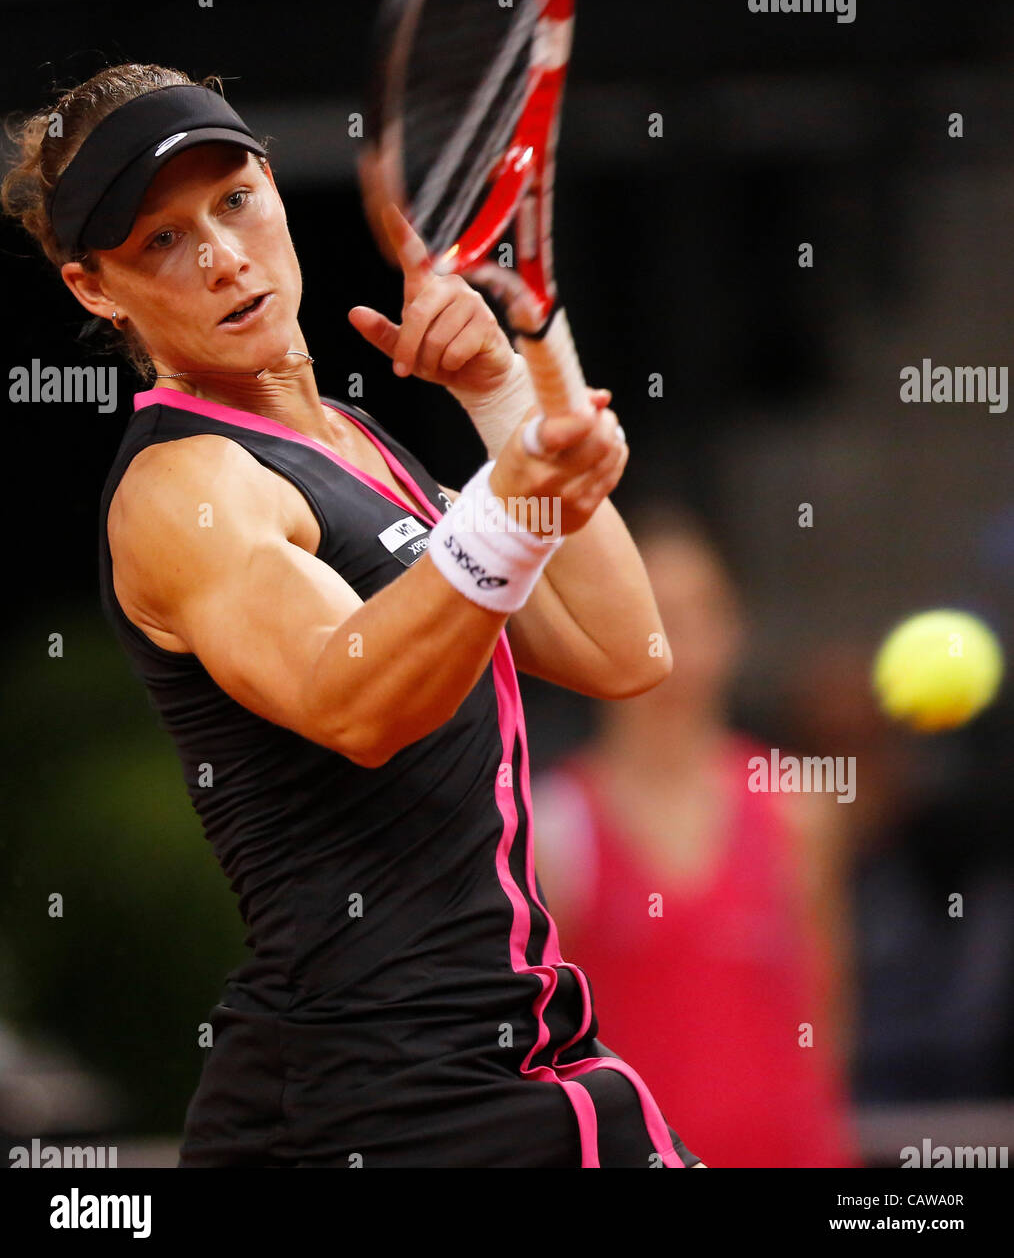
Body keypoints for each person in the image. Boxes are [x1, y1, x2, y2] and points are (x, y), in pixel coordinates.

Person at [1, 62, 705, 1168]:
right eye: (161, 243)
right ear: (94, 287)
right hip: (372, 1105)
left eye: (233, 201)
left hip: (517, 1063)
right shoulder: (185, 489)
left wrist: (505, 400)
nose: (224, 257)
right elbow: (356, 698)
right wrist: (515, 500)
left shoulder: (356, 440)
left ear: (273, 186)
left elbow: (626, 652)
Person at [533, 505, 862, 1167]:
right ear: (596, 627)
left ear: (732, 631)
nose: (668, 640)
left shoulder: (799, 809)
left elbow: (828, 1024)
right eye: (648, 610)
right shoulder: (551, 827)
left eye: (693, 615)